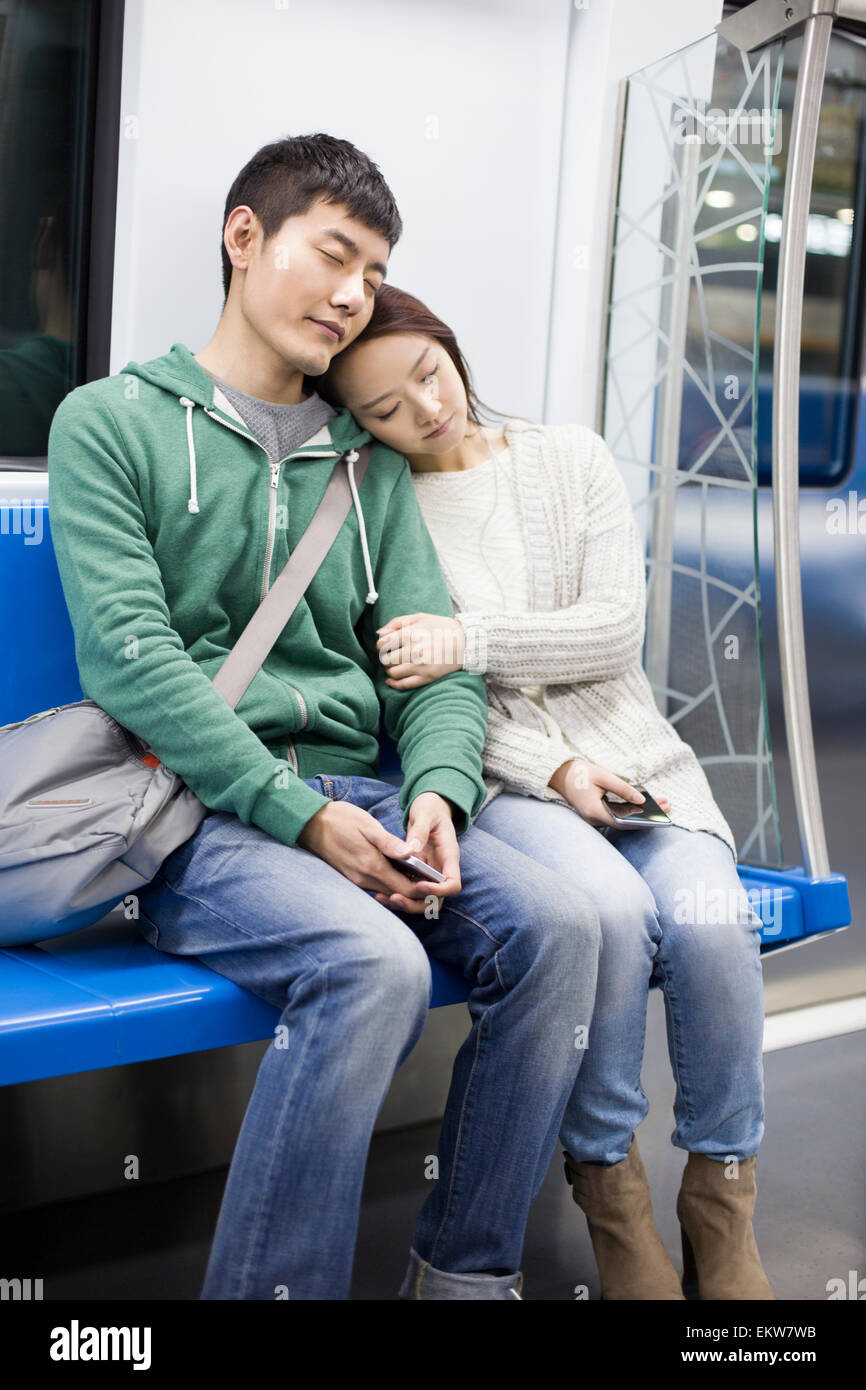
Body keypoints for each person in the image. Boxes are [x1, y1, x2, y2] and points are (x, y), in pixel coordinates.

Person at [46, 134, 603, 1301]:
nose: (353, 294)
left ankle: (461, 1275)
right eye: (333, 254)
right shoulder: (108, 422)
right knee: (371, 965)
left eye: (372, 270)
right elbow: (136, 664)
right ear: (244, 238)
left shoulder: (369, 468)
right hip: (198, 807)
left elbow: (432, 669)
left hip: (369, 796)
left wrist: (442, 795)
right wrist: (297, 816)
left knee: (557, 928)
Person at [318, 282, 775, 1302]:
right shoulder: (382, 513)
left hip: (641, 761)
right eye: (386, 409)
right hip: (513, 779)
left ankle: (719, 1191)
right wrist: (556, 769)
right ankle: (609, 1192)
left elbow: (612, 627)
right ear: (358, 424)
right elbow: (427, 695)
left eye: (427, 376)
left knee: (709, 918)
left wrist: (467, 637)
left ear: (447, 344)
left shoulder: (568, 456)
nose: (424, 412)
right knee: (608, 913)